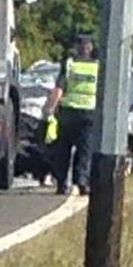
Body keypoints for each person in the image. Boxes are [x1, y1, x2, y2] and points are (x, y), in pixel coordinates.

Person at [43, 33, 98, 195]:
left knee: (63, 150)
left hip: (67, 113)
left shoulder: (69, 65)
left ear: (76, 48)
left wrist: (48, 109)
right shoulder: (97, 67)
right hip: (88, 113)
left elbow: (59, 88)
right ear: (90, 48)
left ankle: (61, 184)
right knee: (85, 149)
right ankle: (82, 182)